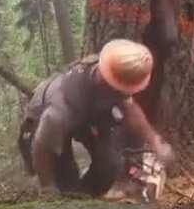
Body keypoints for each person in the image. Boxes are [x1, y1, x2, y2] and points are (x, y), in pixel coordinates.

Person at [18, 39, 174, 197]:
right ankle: (69, 198)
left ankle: (85, 199)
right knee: (65, 183)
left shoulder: (115, 71)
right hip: (44, 128)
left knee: (110, 164)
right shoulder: (59, 111)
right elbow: (42, 148)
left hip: (87, 116)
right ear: (111, 84)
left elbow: (130, 108)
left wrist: (154, 141)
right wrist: (47, 187)